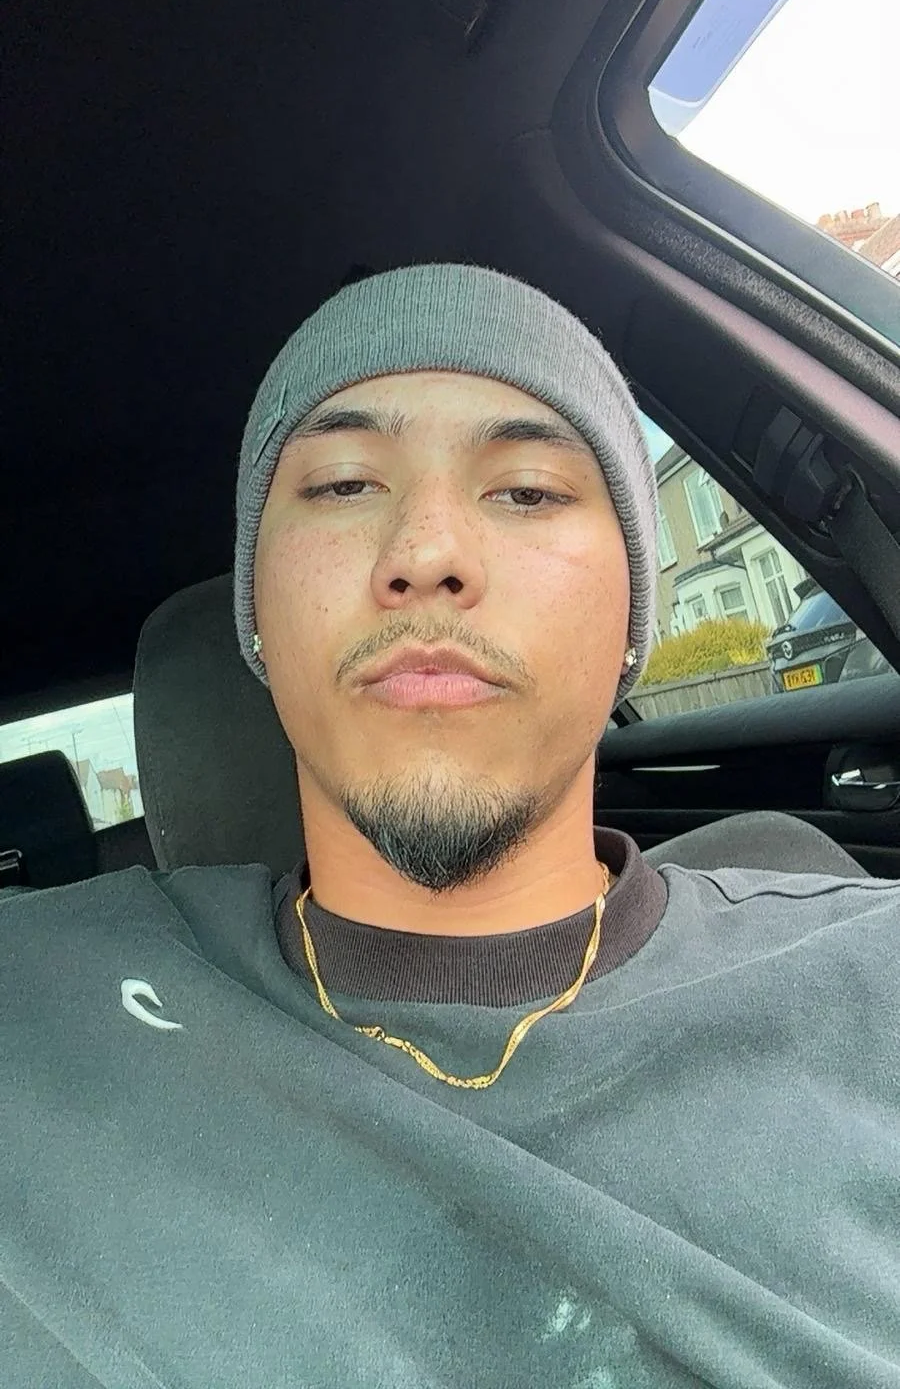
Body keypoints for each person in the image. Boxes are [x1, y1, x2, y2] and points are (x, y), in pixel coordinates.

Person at [3, 264, 898, 1388]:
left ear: (635, 611)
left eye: (526, 490)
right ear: (255, 617)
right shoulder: (32, 1011)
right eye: (341, 484)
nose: (426, 553)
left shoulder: (874, 985)